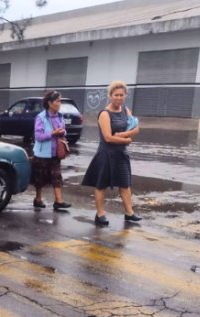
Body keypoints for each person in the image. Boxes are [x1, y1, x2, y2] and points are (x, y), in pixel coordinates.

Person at [80, 81, 141, 226]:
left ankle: (129, 213)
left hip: (121, 154)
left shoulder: (126, 110)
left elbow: (136, 129)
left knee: (125, 184)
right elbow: (108, 138)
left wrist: (122, 134)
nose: (119, 98)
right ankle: (100, 214)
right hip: (106, 154)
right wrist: (124, 140)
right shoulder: (104, 114)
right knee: (101, 185)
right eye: (116, 95)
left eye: (121, 95)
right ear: (110, 96)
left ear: (125, 95)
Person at [31, 90, 71, 212]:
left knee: (56, 176)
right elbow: (38, 136)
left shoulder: (60, 116)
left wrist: (62, 132)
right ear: (50, 103)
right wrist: (53, 133)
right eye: (58, 101)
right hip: (42, 154)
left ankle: (58, 202)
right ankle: (38, 199)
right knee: (40, 178)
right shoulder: (41, 117)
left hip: (55, 153)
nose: (60, 103)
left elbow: (64, 131)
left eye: (60, 101)